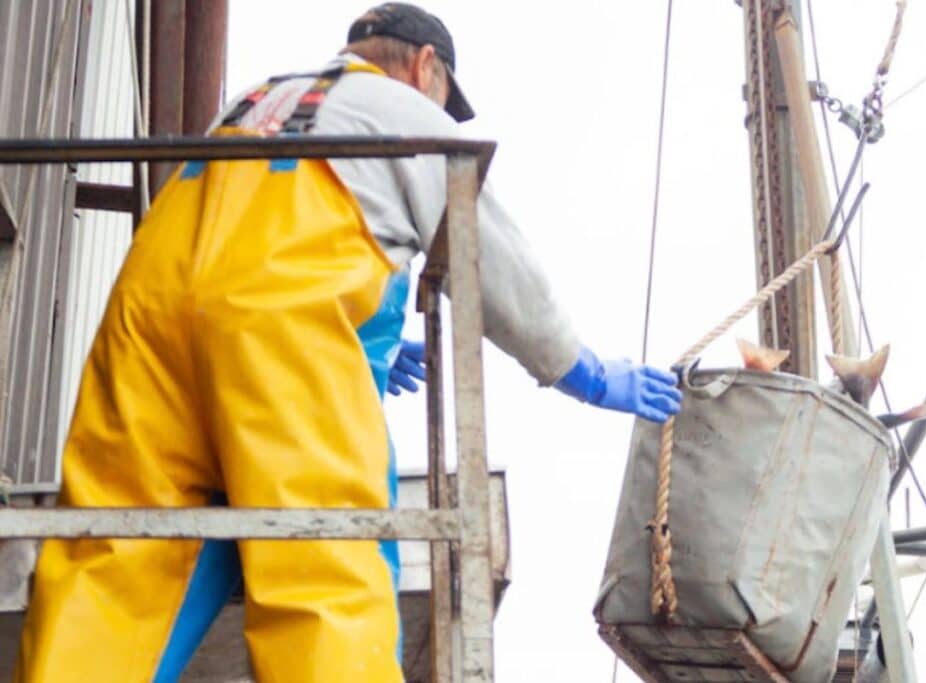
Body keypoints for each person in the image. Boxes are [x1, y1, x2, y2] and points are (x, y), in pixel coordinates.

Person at [15, 3, 682, 682]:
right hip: (283, 332)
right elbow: (500, 267)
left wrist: (371, 344)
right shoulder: (404, 109)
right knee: (326, 562)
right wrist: (586, 372)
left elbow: (229, 260)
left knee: (114, 557)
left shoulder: (257, 98)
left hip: (145, 323)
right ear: (426, 68)